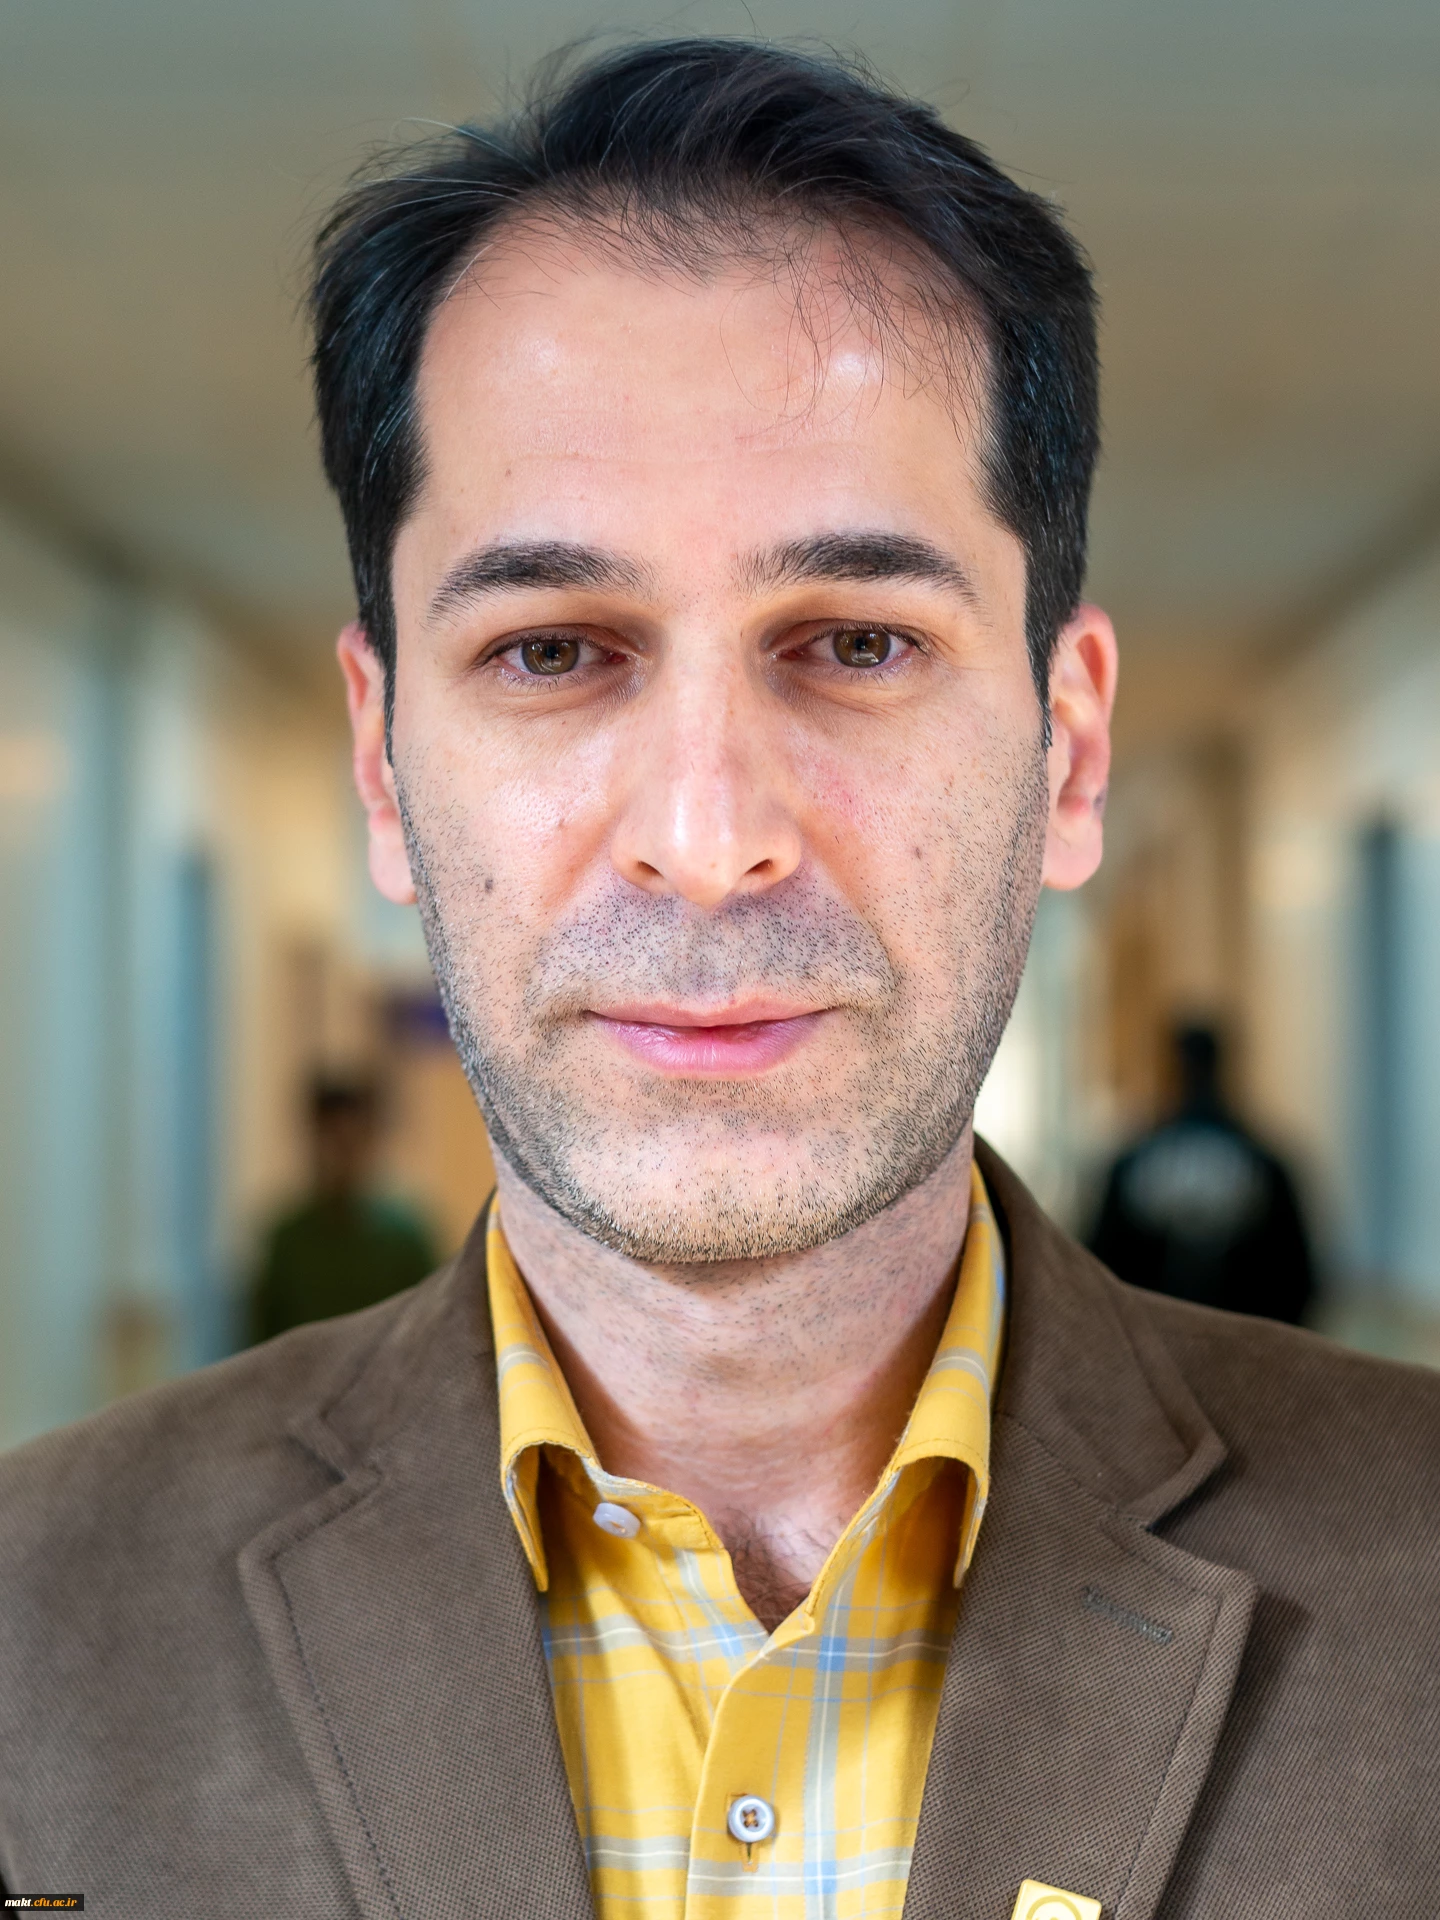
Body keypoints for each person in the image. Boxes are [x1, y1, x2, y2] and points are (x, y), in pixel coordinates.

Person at [2, 40, 1437, 1919]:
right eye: (553, 651)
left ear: (1070, 747)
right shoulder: (34, 1626)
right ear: (383, 761)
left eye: (855, 642)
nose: (706, 835)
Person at [1087, 1023, 1315, 1324]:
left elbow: (1096, 1268)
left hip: (1149, 1338)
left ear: (1169, 1070)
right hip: (1244, 1340)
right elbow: (1300, 1278)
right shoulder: (1264, 1167)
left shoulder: (1132, 1166)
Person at [249, 1075, 437, 1343]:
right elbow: (263, 1344)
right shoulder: (288, 1243)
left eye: (350, 1142)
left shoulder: (405, 1241)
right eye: (331, 1141)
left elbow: (433, 1331)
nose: (340, 1156)